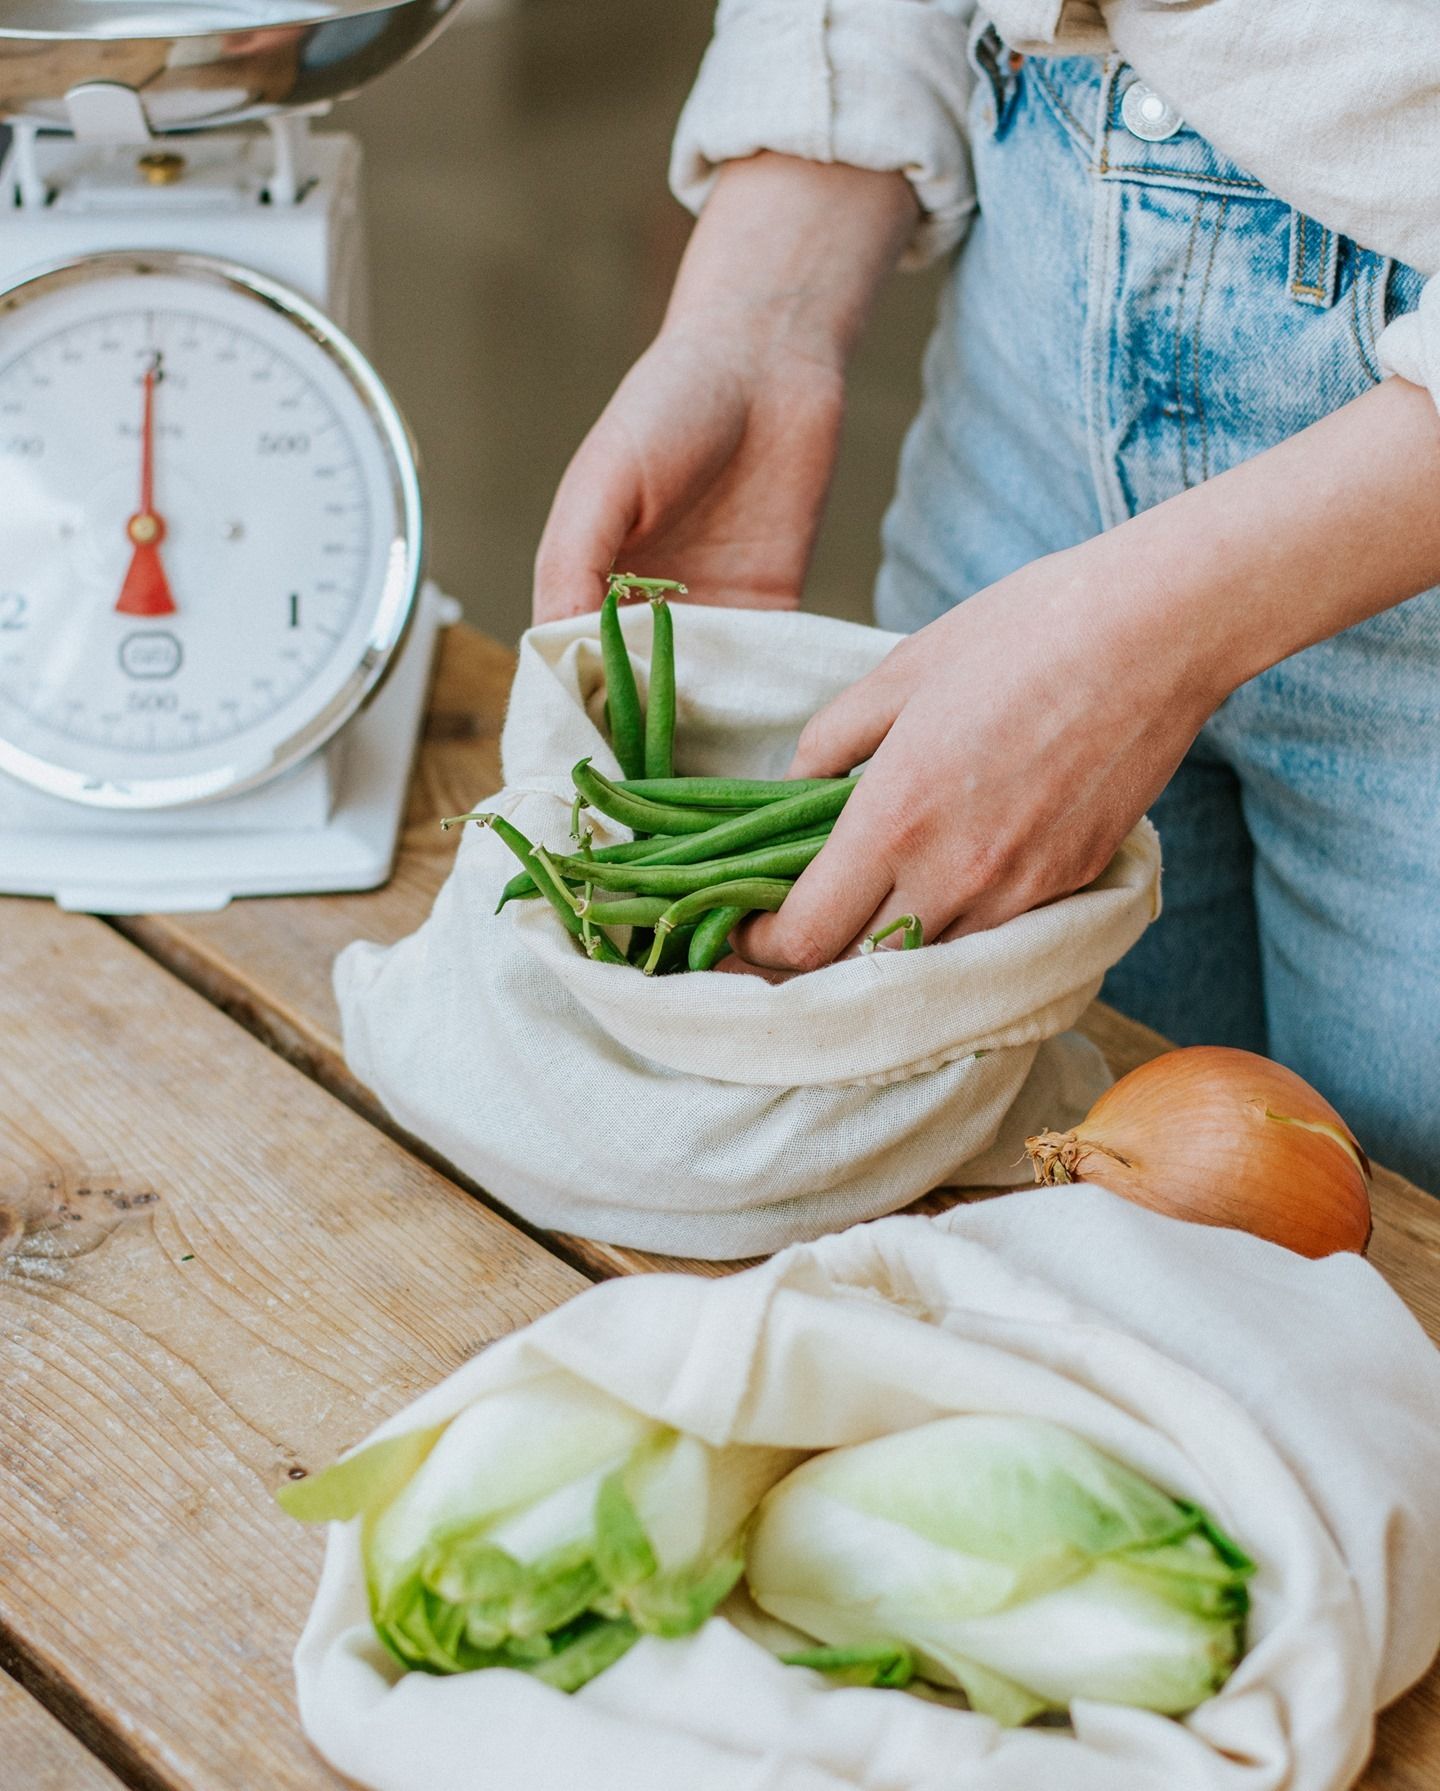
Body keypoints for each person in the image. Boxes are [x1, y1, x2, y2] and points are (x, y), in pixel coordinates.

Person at [530, 2, 1440, 1188]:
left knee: (1396, 1295)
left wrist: (1143, 640)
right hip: (1030, 357)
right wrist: (765, 310)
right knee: (1006, 1229)